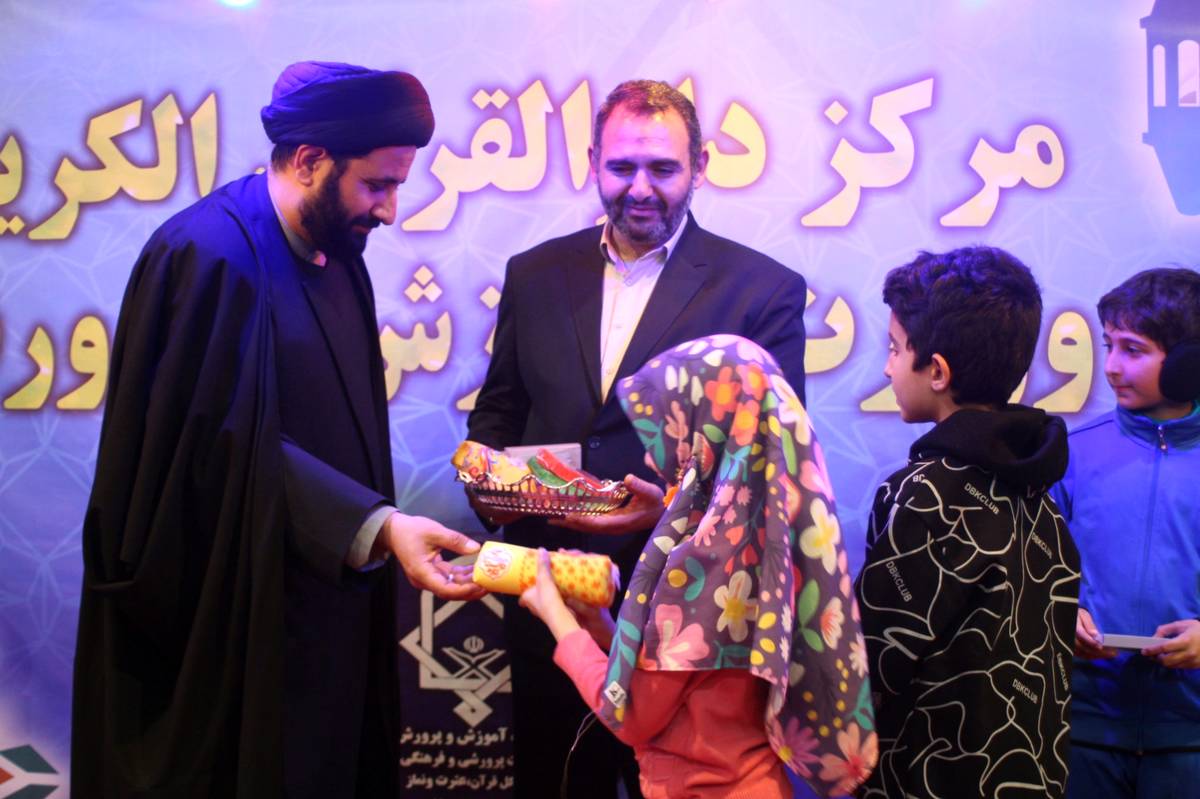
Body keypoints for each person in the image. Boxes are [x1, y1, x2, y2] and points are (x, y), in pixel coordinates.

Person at [71, 61, 484, 799]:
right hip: (228, 629)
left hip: (325, 616)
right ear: (310, 160)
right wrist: (380, 527)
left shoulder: (337, 252)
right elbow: (212, 456)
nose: (391, 211)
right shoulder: (208, 258)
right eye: (377, 185)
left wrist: (374, 531)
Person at [466, 79, 809, 797]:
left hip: (692, 625)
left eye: (663, 168)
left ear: (700, 167)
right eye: (622, 167)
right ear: (594, 162)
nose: (641, 188)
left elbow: (772, 471)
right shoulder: (534, 273)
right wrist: (491, 487)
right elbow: (497, 416)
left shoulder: (761, 289)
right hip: (552, 598)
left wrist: (669, 511)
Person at [519, 334, 876, 798]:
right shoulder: (756, 543)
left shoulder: (704, 564)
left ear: (709, 429)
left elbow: (631, 715)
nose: (650, 456)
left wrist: (556, 617)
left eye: (669, 430)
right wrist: (601, 626)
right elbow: (682, 676)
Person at [854, 247, 1081, 798]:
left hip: (929, 780)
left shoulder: (924, 493)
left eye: (895, 348)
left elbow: (874, 660)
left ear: (937, 371)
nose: (886, 367)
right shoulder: (1041, 496)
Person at [1052, 267, 1200, 797]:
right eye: (1109, 345)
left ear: (1187, 361)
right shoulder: (1070, 453)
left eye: (1133, 350)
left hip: (1189, 742)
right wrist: (1059, 613)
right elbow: (1032, 575)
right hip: (1084, 733)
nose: (1112, 366)